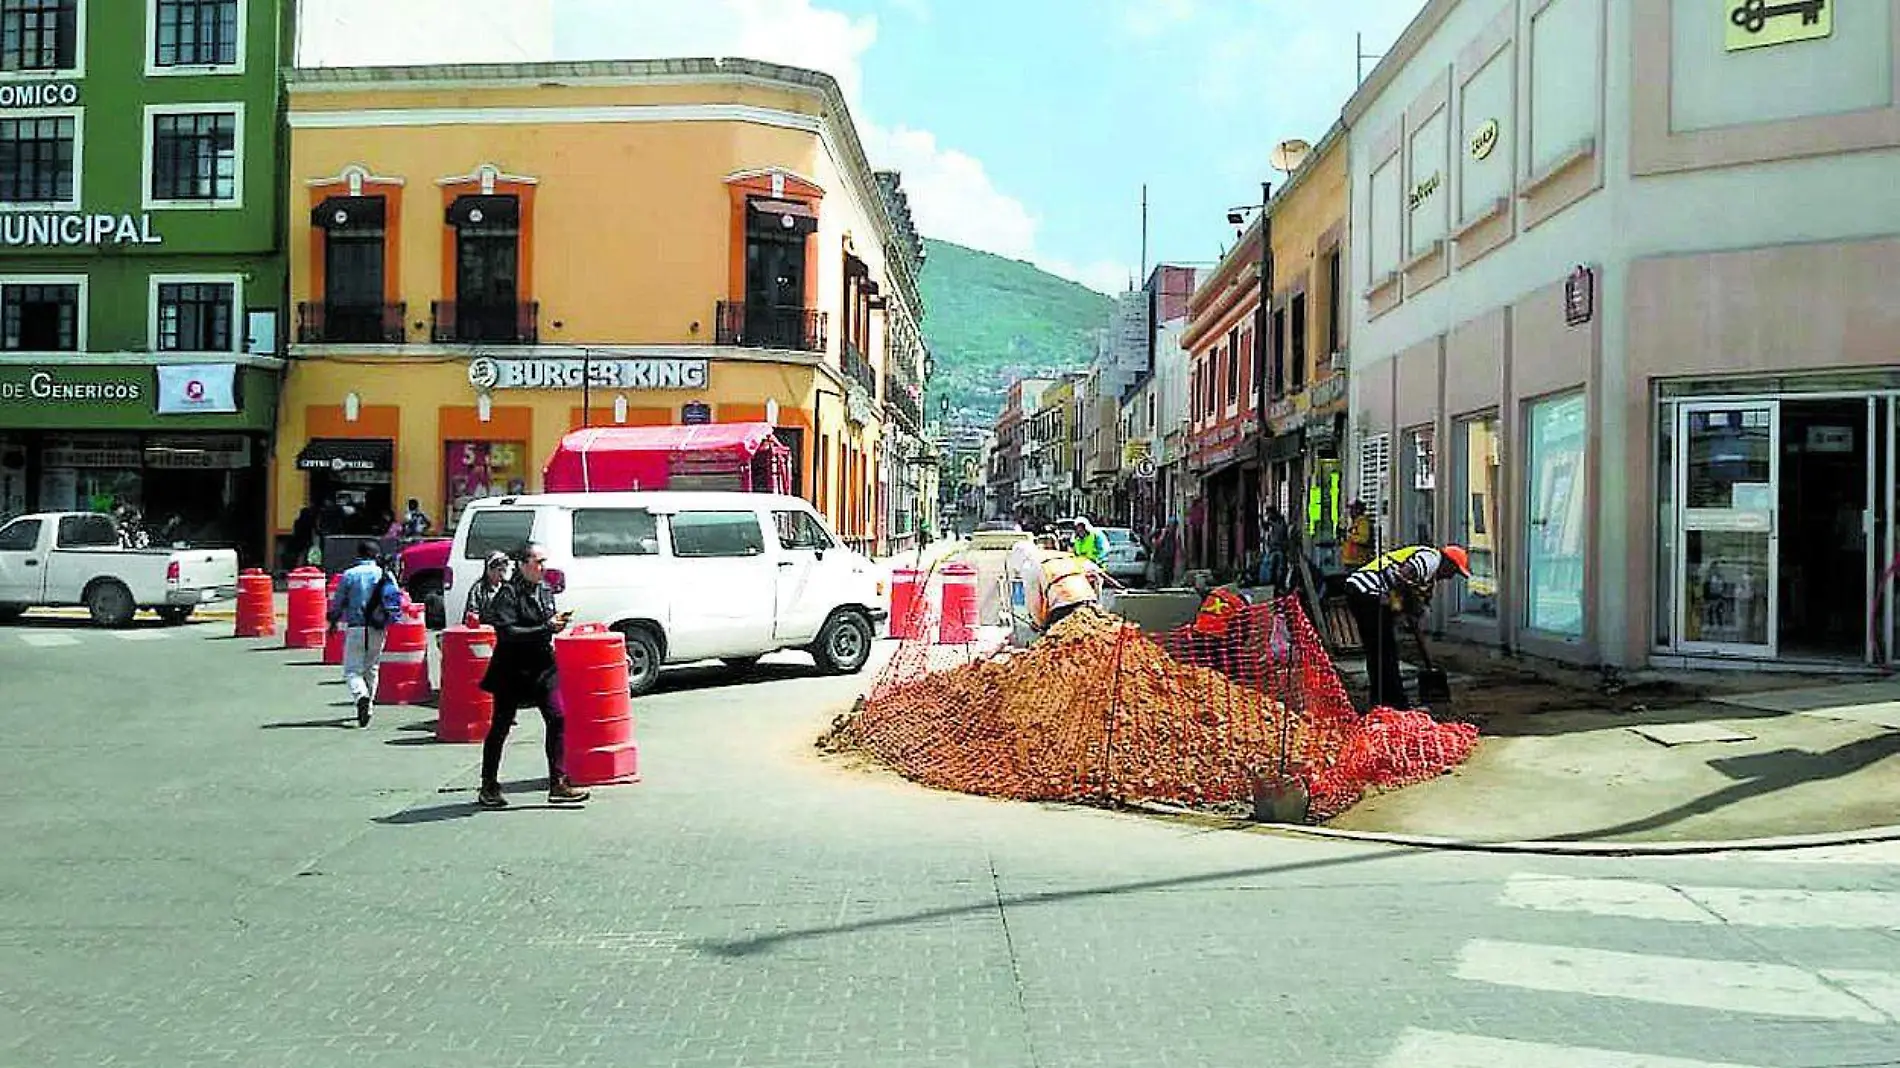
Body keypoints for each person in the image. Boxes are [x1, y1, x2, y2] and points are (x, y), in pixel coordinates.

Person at [478, 543, 590, 808]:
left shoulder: (544, 589)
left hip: (543, 666)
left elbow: (548, 621)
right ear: (522, 564)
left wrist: (557, 623)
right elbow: (507, 633)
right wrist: (545, 627)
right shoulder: (508, 594)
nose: (543, 567)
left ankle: (558, 783)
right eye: (538, 562)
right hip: (511, 668)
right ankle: (488, 785)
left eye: (544, 561)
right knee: (501, 726)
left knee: (558, 717)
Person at [1344, 544, 1471, 710]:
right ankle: (1394, 703)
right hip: (1369, 591)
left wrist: (1408, 607)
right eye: (1453, 572)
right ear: (1448, 563)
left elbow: (1405, 586)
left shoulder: (1428, 570)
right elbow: (1401, 575)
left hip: (1361, 591)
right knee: (1384, 651)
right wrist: (1407, 603)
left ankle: (1381, 700)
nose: (1449, 577)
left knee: (1378, 651)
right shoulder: (1431, 559)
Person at [326, 539, 400, 727]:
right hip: (378, 627)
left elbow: (338, 604)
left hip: (356, 627)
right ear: (376, 555)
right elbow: (395, 598)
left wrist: (333, 622)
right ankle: (369, 706)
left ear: (358, 555)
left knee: (352, 670)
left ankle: (361, 696)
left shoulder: (349, 575)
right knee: (372, 667)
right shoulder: (385, 574)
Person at [463, 550, 512, 626]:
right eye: (499, 570)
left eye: (504, 570)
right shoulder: (478, 589)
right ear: (489, 570)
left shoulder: (508, 588)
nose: (502, 574)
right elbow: (472, 612)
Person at [1262, 506, 1290, 593]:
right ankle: (1274, 585)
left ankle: (1278, 585)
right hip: (1273, 548)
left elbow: (1279, 533)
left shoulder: (1279, 522)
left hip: (1279, 548)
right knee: (1271, 567)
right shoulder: (1274, 522)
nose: (1268, 516)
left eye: (1269, 514)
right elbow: (1266, 528)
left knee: (1279, 569)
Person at [1340, 500, 1376, 568]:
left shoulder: (1363, 522)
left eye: (1352, 509)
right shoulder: (1354, 522)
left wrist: (1350, 536)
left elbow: (1364, 539)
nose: (1350, 512)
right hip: (1350, 561)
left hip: (1358, 561)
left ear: (1358, 510)